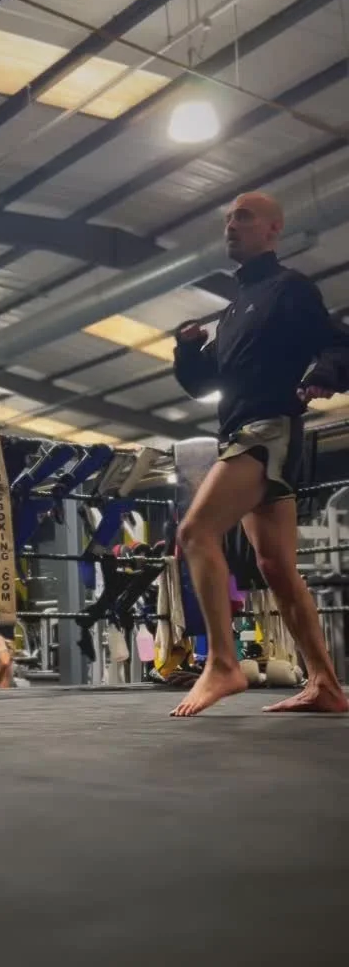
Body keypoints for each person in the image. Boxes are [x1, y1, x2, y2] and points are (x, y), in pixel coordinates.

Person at [171, 191, 349, 717]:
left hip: (267, 430)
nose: (231, 225)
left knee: (194, 533)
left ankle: (223, 664)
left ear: (273, 230)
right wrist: (187, 350)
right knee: (275, 565)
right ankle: (326, 684)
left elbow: (337, 343)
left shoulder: (289, 289)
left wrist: (324, 373)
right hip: (242, 433)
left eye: (244, 217)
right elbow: (204, 384)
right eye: (228, 219)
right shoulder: (233, 312)